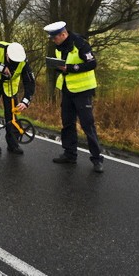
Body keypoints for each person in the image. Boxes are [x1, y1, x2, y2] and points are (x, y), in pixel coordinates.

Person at [44, 21, 104, 172]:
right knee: (67, 123)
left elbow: (92, 64)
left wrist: (70, 68)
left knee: (87, 124)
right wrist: (59, 68)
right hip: (67, 89)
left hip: (83, 90)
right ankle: (70, 154)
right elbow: (64, 65)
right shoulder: (59, 46)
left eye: (55, 37)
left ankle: (97, 159)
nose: (53, 40)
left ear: (63, 34)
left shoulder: (80, 44)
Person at [0, 41, 36, 154]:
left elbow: (29, 82)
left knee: (12, 116)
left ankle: (13, 143)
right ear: (7, 55)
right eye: (12, 61)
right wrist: (1, 67)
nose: (14, 64)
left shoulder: (23, 61)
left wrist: (25, 101)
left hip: (9, 88)